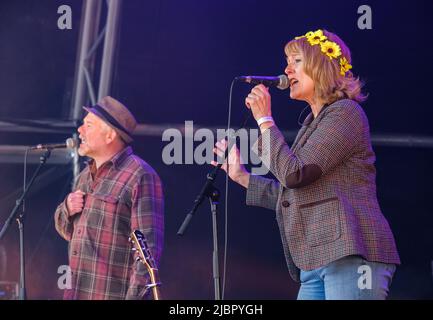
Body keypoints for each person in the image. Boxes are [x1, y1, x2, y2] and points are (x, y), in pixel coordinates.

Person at [212, 29, 400, 300]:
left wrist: (265, 120)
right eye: (287, 61)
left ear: (322, 65)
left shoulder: (346, 113)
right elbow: (294, 193)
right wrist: (241, 176)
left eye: (296, 61)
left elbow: (294, 174)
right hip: (317, 259)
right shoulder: (313, 124)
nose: (287, 70)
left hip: (352, 252)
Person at [54, 96, 164, 300]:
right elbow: (67, 231)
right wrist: (66, 208)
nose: (80, 131)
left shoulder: (140, 175)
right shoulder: (84, 176)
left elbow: (148, 255)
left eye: (88, 125)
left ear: (110, 135)